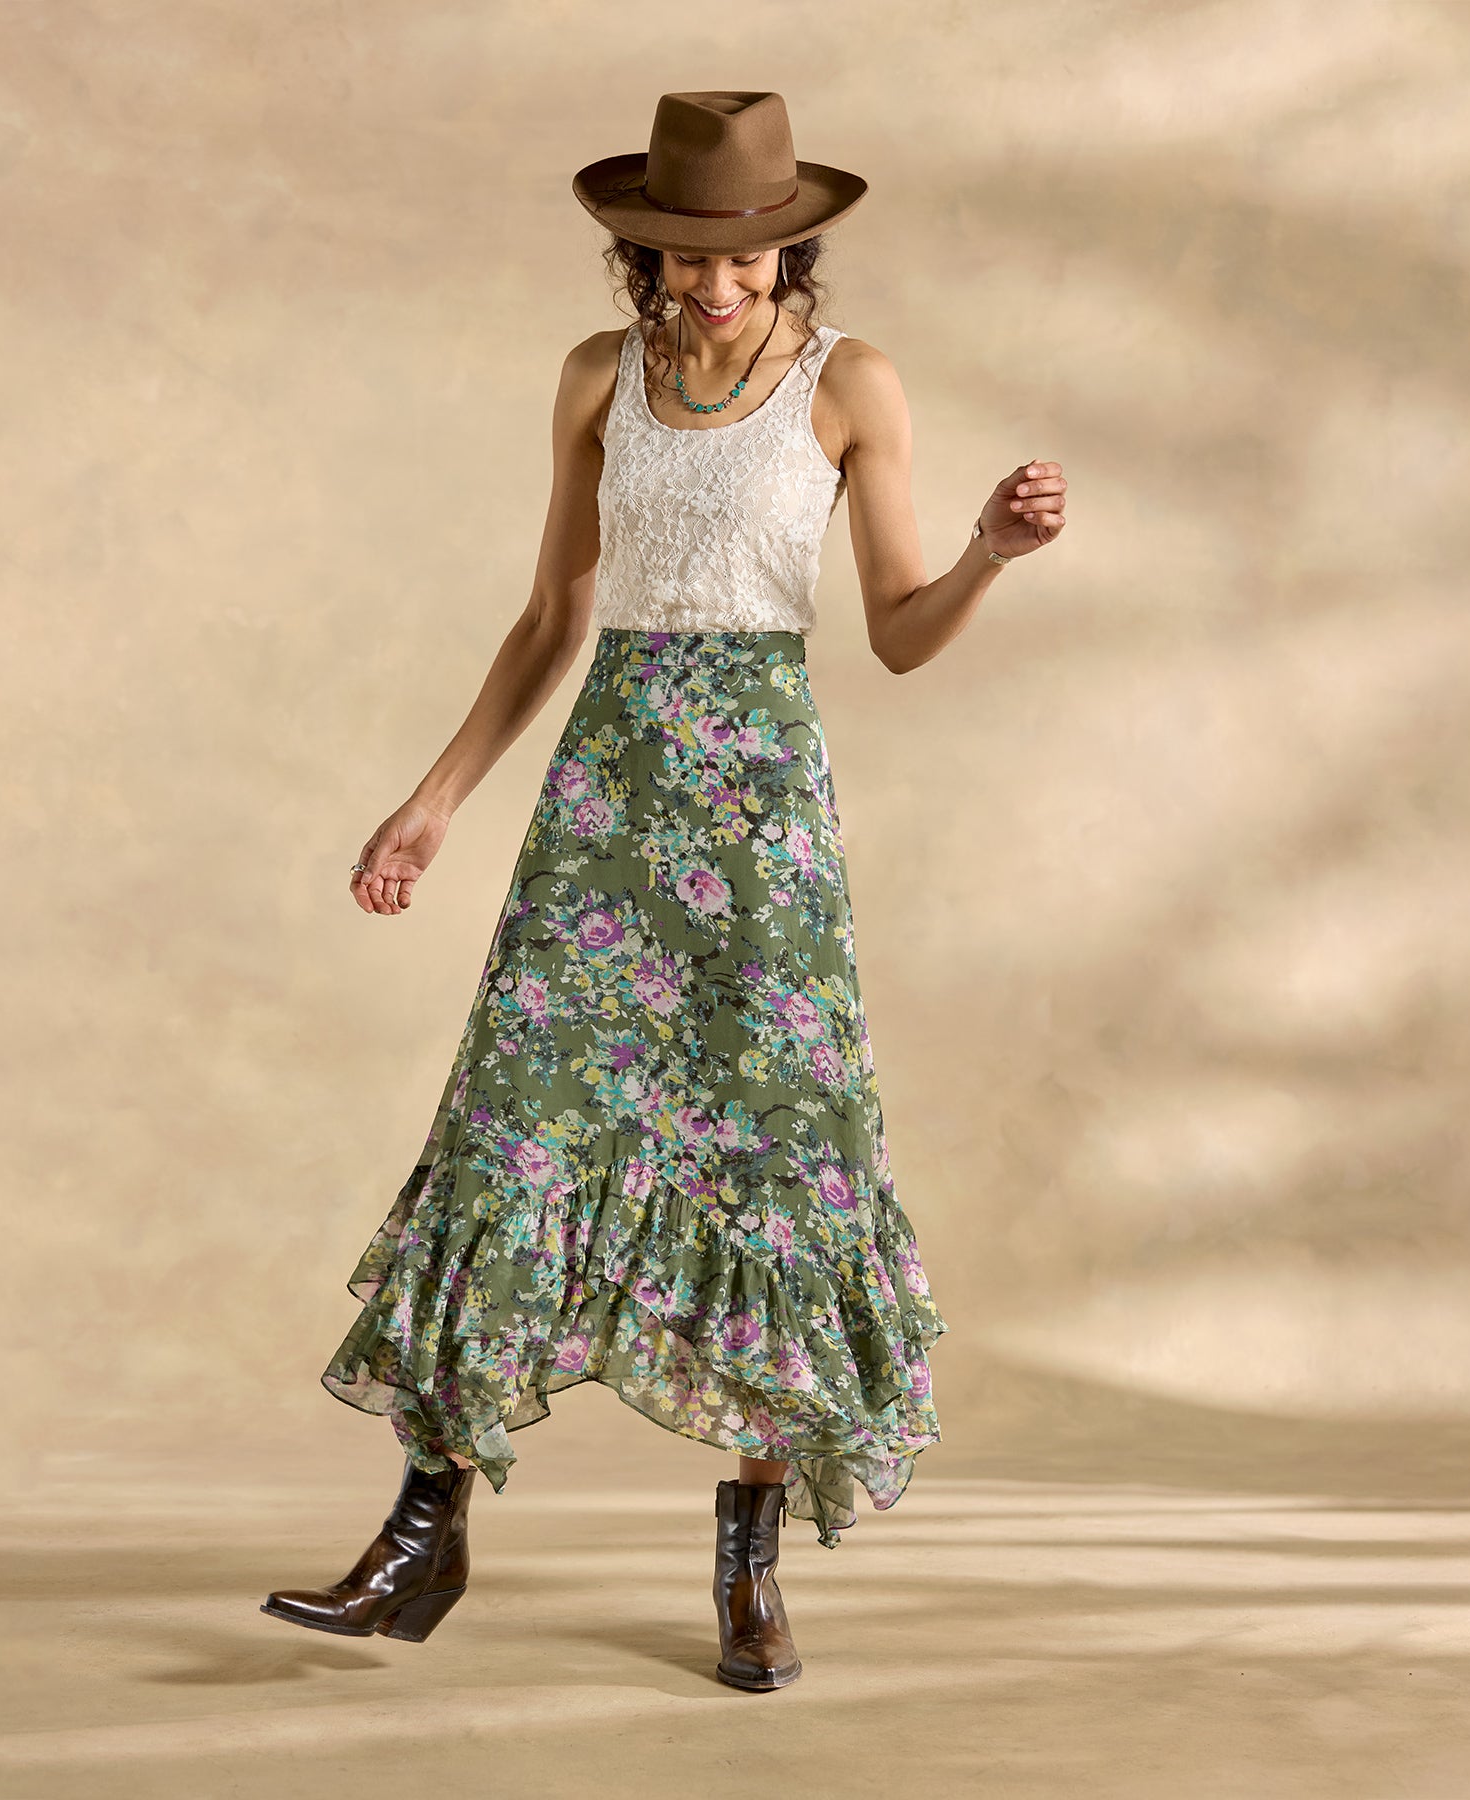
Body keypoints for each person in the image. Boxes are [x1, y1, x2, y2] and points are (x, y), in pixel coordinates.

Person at [260, 90, 1067, 1691]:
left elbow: (899, 632)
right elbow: (550, 618)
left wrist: (985, 550)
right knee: (511, 1126)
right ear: (643, 256)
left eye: (749, 258)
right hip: (609, 792)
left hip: (761, 818)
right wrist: (432, 804)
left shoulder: (853, 384)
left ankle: (749, 1569)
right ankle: (423, 1537)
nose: (719, 285)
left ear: (792, 250)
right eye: (690, 259)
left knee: (776, 1161)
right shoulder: (596, 376)